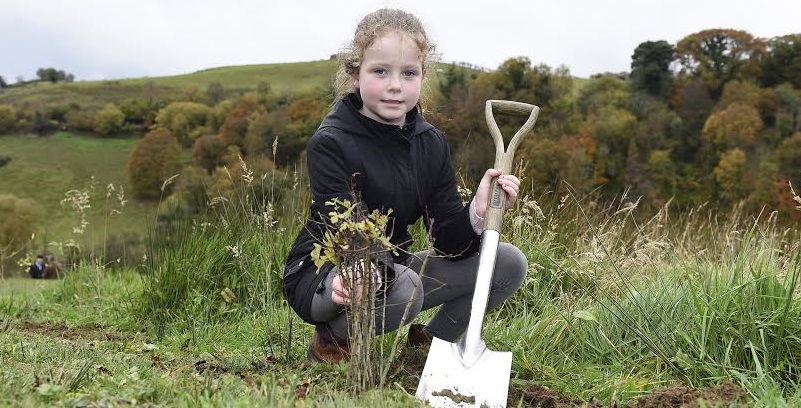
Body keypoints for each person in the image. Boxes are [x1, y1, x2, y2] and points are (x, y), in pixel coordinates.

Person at [282, 8, 528, 363]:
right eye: (380, 71)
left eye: (408, 73)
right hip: (329, 272)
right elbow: (347, 229)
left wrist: (475, 211)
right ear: (355, 74)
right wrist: (362, 271)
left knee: (507, 263)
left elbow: (449, 244)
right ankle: (333, 340)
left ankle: (429, 349)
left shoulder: (431, 144)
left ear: (423, 75)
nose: (395, 85)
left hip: (393, 270)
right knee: (404, 289)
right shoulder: (331, 142)